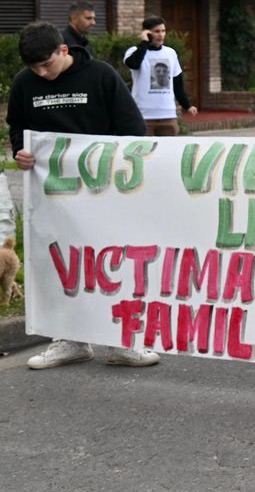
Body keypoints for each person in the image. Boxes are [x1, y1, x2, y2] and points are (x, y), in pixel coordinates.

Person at [6, 21, 158, 370]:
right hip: (54, 195)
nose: (42, 74)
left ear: (63, 50)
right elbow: (18, 126)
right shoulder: (24, 83)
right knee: (62, 263)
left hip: (104, 191)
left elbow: (132, 128)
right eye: (34, 68)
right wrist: (20, 150)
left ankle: (121, 341)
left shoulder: (101, 76)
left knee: (111, 262)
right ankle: (70, 340)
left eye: (47, 64)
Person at [123, 15, 196, 135]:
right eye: (157, 31)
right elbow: (133, 64)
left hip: (168, 115)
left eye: (163, 31)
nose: (161, 35)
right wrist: (144, 44)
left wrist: (187, 105)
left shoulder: (170, 53)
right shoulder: (134, 51)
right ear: (147, 33)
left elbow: (177, 84)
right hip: (143, 115)